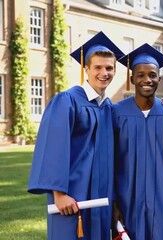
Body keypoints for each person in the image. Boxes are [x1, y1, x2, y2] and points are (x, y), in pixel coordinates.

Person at [28, 31, 124, 240]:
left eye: (109, 68)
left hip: (100, 197)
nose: (104, 73)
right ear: (86, 68)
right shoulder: (67, 101)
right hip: (72, 196)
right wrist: (59, 195)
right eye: (97, 67)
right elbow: (53, 148)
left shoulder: (109, 108)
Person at [112, 43, 163, 239]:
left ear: (159, 78)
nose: (147, 79)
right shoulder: (115, 112)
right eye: (140, 75)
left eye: (152, 75)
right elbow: (108, 160)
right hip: (127, 197)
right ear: (132, 78)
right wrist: (114, 202)